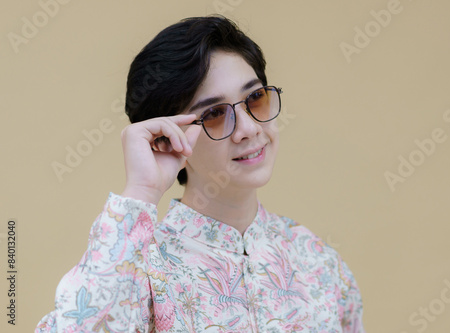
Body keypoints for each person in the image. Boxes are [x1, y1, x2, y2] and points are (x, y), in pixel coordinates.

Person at [36, 15, 365, 332]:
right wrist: (141, 190)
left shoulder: (315, 260)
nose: (248, 128)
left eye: (255, 98)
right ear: (168, 136)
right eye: (214, 113)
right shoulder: (144, 270)